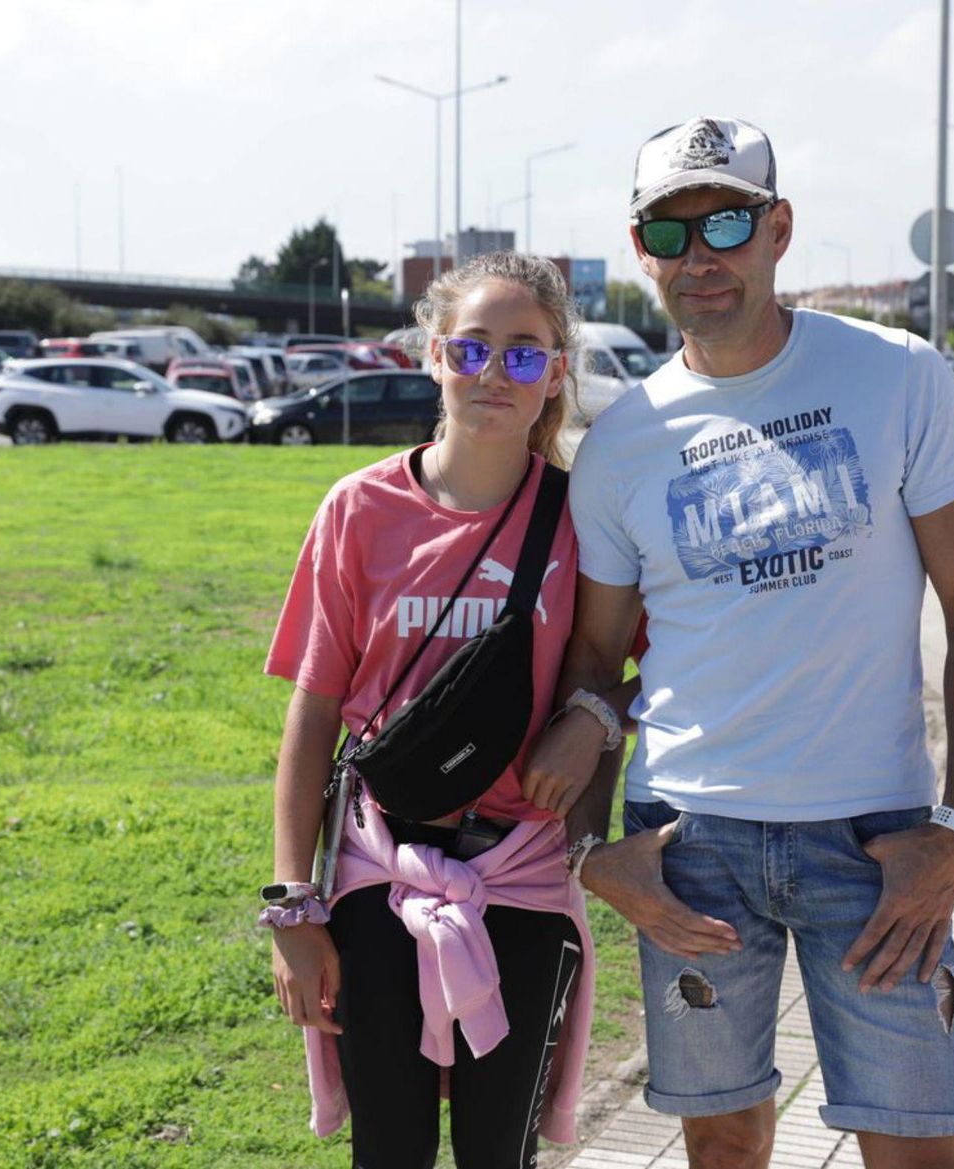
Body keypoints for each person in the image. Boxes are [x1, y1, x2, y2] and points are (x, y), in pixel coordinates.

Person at [523, 115, 954, 1169]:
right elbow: (595, 668)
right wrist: (595, 853)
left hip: (877, 845)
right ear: (641, 246)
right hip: (690, 845)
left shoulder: (899, 375)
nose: (700, 257)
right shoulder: (621, 446)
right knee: (725, 1144)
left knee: (916, 1144)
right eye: (670, 233)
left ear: (779, 228)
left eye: (729, 221)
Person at [261, 252, 596, 1169]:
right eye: (474, 349)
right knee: (390, 1151)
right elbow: (312, 711)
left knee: (500, 1154)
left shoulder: (584, 519)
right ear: (434, 356)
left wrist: (597, 717)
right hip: (377, 876)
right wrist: (295, 909)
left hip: (522, 877)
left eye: (526, 355)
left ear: (556, 373)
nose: (496, 373)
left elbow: (639, 664)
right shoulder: (358, 510)